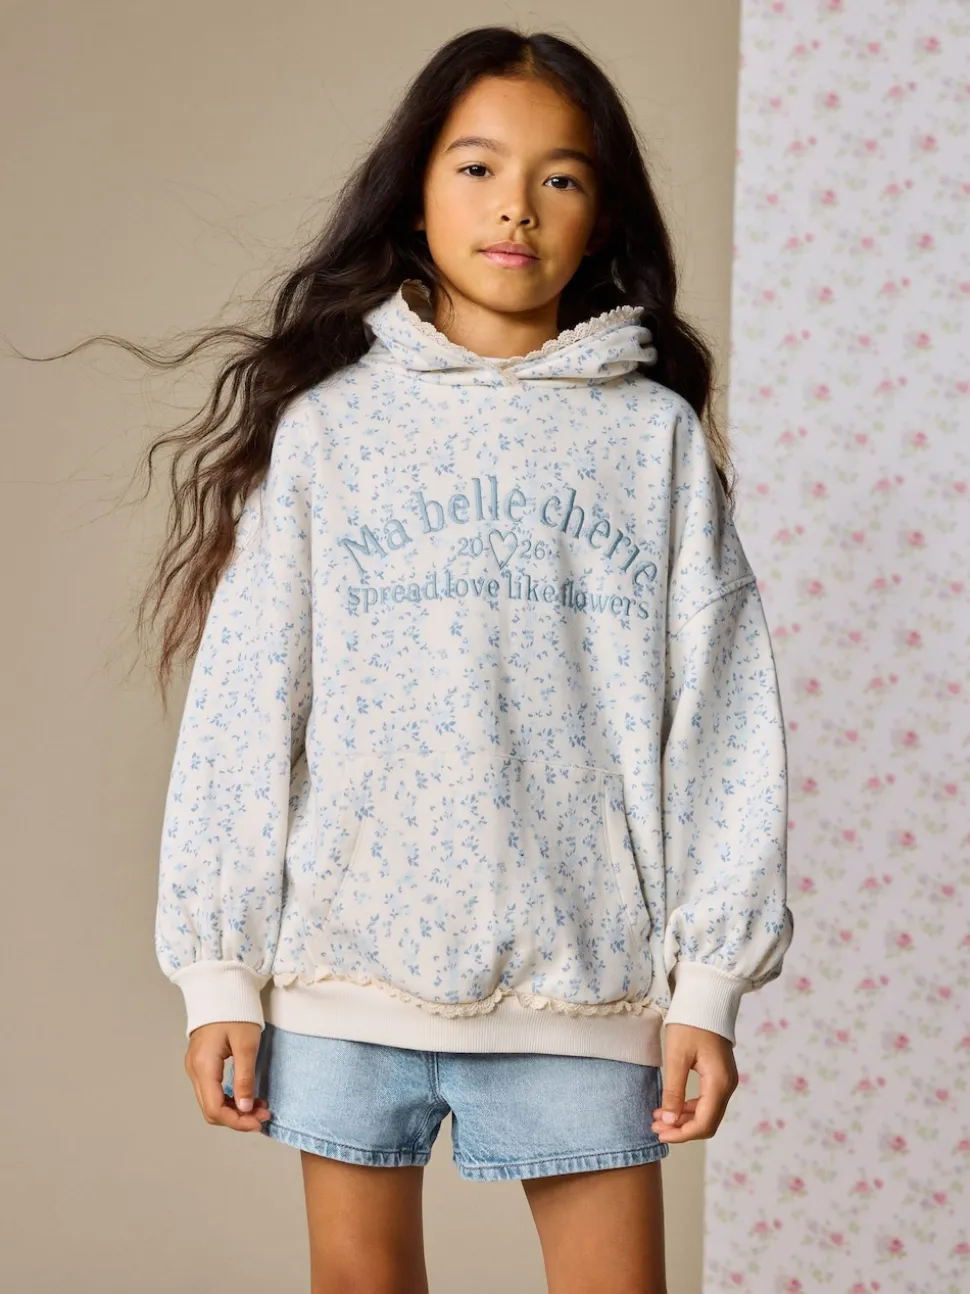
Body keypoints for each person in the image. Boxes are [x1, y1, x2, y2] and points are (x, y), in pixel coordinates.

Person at [147, 25, 794, 1294]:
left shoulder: (650, 441)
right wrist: (218, 969)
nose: (516, 207)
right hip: (345, 971)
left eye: (560, 176)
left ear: (600, 217)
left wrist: (709, 987)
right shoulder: (330, 434)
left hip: (584, 977)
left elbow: (722, 722)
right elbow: (243, 703)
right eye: (477, 167)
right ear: (414, 194)